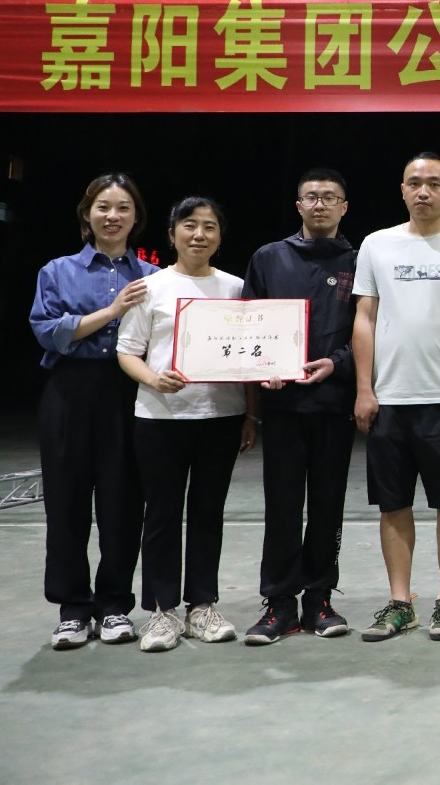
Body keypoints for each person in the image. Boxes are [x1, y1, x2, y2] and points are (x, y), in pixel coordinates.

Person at [353, 153, 440, 642]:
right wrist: (365, 388)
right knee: (393, 505)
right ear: (402, 189)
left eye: (434, 183)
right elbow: (365, 318)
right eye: (414, 182)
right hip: (389, 398)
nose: (423, 191)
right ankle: (400, 602)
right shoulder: (377, 244)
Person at [116, 196, 256, 652]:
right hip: (160, 417)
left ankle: (202, 606)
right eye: (190, 225)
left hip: (221, 416)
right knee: (161, 513)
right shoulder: (150, 287)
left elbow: (253, 352)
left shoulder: (236, 288)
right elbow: (127, 351)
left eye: (209, 227)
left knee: (208, 512)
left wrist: (251, 413)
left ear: (220, 236)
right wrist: (154, 379)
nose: (199, 234)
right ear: (172, 234)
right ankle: (163, 611)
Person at [29, 173, 158, 649]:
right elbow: (47, 331)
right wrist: (111, 311)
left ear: (136, 217)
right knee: (66, 502)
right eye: (103, 207)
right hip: (70, 391)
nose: (112, 216)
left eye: (123, 207)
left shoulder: (153, 276)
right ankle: (72, 610)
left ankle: (114, 606)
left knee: (123, 503)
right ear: (87, 214)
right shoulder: (57, 270)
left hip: (128, 392)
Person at [240, 168, 360, 644]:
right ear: (298, 206)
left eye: (330, 197)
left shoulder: (360, 260)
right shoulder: (270, 257)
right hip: (283, 406)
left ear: (344, 206)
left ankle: (320, 600)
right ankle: (279, 605)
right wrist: (262, 366)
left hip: (335, 404)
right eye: (311, 197)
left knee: (328, 506)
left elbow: (370, 329)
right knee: (282, 507)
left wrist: (337, 363)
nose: (320, 204)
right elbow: (248, 326)